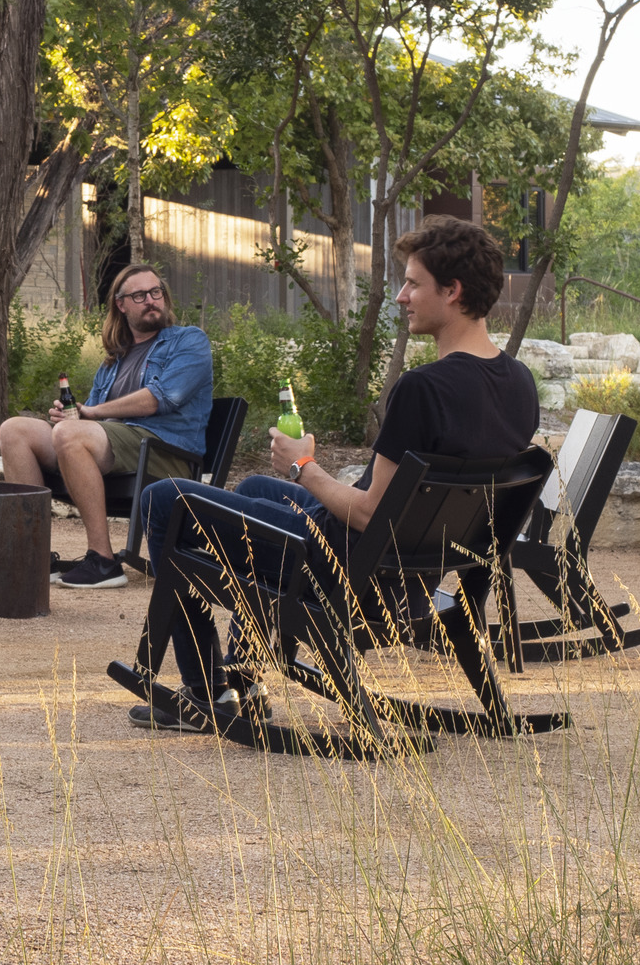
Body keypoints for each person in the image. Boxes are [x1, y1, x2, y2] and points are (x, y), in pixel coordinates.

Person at [120, 216, 538, 728]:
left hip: (338, 572)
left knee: (165, 499)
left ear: (452, 291)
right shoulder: (518, 382)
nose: (402, 296)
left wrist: (303, 466)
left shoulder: (423, 389)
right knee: (253, 487)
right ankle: (244, 676)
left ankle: (207, 694)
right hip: (413, 579)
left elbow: (368, 513)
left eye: (412, 283)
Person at [0, 264, 214, 589]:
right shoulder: (114, 360)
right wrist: (72, 416)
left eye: (156, 292)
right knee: (14, 430)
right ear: (121, 304)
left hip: (163, 451)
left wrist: (92, 413)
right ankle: (34, 554)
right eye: (139, 295)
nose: (151, 300)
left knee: (70, 434)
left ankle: (103, 561)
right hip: (116, 448)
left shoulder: (188, 341)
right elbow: (89, 419)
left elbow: (160, 399)